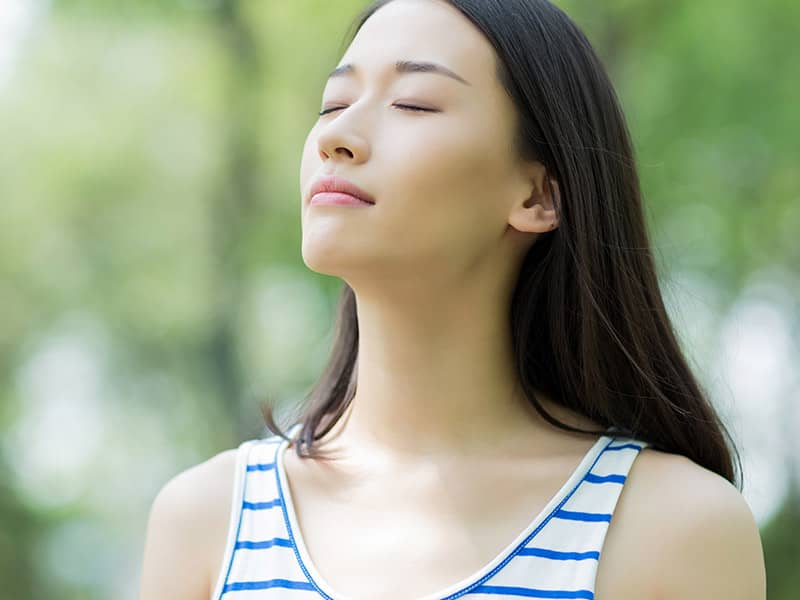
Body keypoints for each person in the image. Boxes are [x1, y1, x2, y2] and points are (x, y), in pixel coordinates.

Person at [138, 1, 767, 599]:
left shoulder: (675, 532)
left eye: (413, 104)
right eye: (332, 103)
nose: (339, 137)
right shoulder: (207, 524)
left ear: (538, 196)